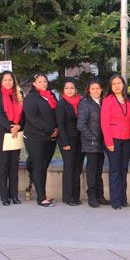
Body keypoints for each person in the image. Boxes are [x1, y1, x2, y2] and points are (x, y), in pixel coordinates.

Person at [23, 73, 58, 207]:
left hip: (50, 137)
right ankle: (41, 198)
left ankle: (43, 194)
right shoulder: (31, 98)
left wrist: (57, 129)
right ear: (34, 84)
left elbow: (56, 113)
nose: (43, 84)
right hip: (35, 137)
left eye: (45, 81)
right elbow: (32, 118)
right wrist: (49, 130)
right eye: (40, 82)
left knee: (44, 166)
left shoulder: (51, 96)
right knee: (38, 166)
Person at [101, 74, 130, 210]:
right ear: (111, 86)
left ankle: (123, 199)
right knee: (115, 170)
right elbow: (104, 123)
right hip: (113, 139)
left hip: (127, 138)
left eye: (119, 83)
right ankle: (115, 201)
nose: (116, 86)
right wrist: (108, 141)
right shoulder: (108, 100)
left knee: (124, 169)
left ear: (123, 85)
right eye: (114, 84)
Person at [0, 71, 24, 206]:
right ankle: (5, 197)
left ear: (14, 81)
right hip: (3, 132)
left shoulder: (19, 93)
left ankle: (14, 195)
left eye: (10, 80)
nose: (8, 82)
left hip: (17, 132)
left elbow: (24, 113)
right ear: (1, 81)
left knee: (14, 164)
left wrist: (18, 126)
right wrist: (11, 127)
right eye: (5, 80)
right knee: (4, 164)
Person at [77, 79, 109, 208]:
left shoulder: (103, 102)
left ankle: (100, 196)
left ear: (101, 89)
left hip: (102, 143)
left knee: (98, 171)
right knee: (91, 171)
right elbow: (81, 125)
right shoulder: (85, 103)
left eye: (98, 88)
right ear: (89, 90)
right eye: (93, 88)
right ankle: (92, 197)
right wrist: (93, 137)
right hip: (91, 143)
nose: (96, 91)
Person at [56, 78, 84, 206]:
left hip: (80, 140)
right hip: (67, 141)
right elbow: (60, 125)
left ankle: (76, 195)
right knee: (69, 168)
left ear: (76, 89)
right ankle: (68, 197)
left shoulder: (81, 102)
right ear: (63, 90)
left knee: (77, 168)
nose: (69, 90)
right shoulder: (61, 104)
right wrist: (65, 142)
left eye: (72, 88)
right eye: (67, 88)